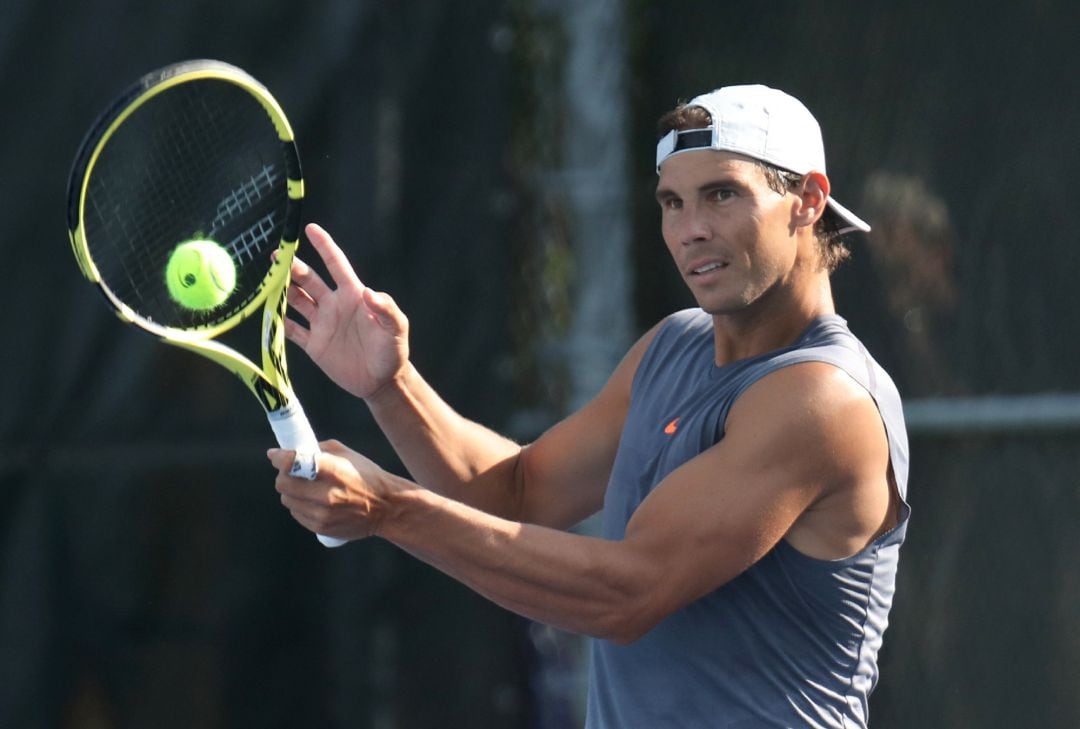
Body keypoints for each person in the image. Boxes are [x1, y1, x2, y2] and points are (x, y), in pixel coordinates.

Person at [268, 84, 910, 728]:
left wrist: (390, 508)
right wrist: (392, 385)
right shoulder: (673, 345)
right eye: (672, 202)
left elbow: (625, 593)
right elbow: (517, 495)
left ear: (807, 202)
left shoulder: (823, 399)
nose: (690, 230)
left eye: (722, 194)